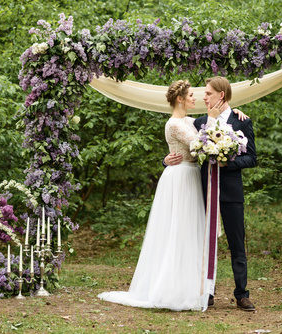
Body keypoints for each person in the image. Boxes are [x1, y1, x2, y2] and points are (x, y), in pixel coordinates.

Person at [98, 80, 246, 311]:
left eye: (201, 94)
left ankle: (192, 286)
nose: (196, 98)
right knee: (177, 231)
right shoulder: (174, 124)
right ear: (180, 99)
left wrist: (231, 112)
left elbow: (209, 128)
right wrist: (166, 159)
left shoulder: (190, 121)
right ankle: (172, 286)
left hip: (192, 178)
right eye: (191, 95)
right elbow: (201, 142)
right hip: (180, 179)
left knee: (191, 233)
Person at [165, 76, 257, 311]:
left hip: (230, 192)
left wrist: (229, 163)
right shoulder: (199, 122)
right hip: (203, 190)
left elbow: (252, 158)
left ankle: (242, 294)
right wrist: (165, 161)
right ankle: (207, 292)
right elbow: (181, 144)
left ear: (221, 96)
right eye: (203, 94)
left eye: (208, 93)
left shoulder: (241, 122)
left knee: (237, 243)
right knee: (204, 243)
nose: (203, 97)